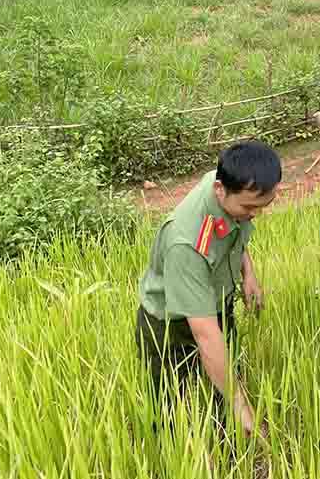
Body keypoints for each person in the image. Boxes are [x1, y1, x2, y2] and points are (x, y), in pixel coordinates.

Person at [135, 140, 281, 440]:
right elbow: (205, 333)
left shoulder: (230, 186)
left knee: (221, 388)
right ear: (219, 190)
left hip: (216, 298)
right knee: (171, 407)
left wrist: (248, 273)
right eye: (250, 207)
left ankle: (225, 444)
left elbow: (234, 234)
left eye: (262, 206)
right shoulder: (186, 244)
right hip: (169, 324)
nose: (256, 214)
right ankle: (175, 460)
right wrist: (241, 404)